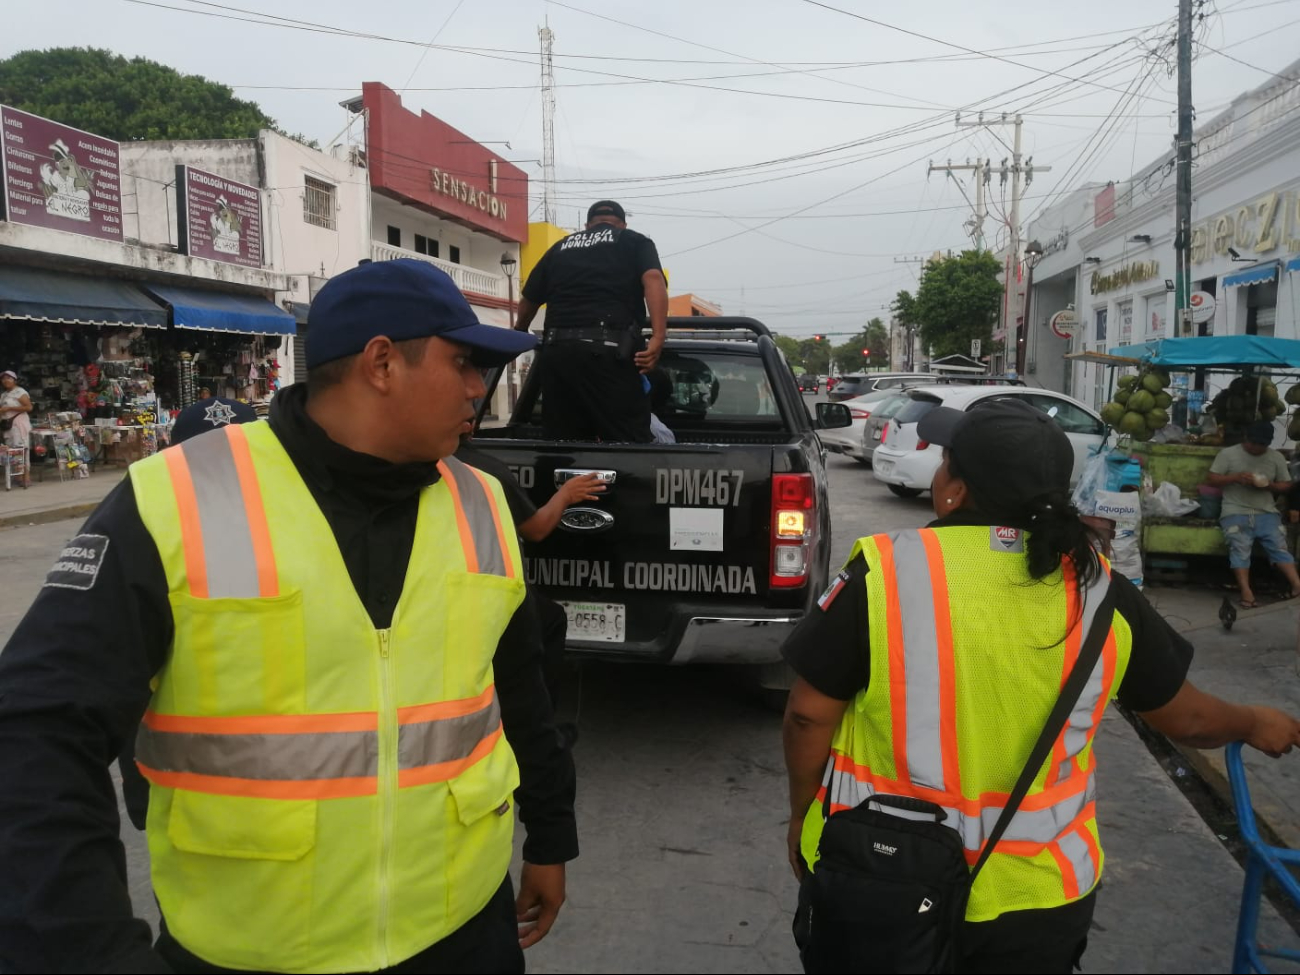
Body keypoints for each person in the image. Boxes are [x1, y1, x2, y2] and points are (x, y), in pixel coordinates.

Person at [0, 258, 578, 974]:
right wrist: (85, 951)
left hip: (462, 933)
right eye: (463, 362)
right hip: (251, 952)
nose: (476, 388)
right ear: (382, 362)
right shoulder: (178, 496)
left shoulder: (481, 499)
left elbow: (520, 690)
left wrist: (551, 832)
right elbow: (35, 731)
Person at [781, 399, 1300, 973]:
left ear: (953, 486)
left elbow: (809, 713)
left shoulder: (886, 572)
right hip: (1038, 897)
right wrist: (1254, 721)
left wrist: (805, 815)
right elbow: (1188, 719)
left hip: (879, 874)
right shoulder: (1103, 591)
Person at [116, 396, 262, 831]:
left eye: (240, 456)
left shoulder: (304, 532)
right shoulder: (149, 539)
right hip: (192, 811)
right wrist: (139, 790)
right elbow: (123, 678)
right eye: (207, 460)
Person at [514, 200, 668, 443]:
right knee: (628, 445)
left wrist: (519, 333)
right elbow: (653, 277)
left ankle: (566, 479)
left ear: (587, 226)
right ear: (622, 225)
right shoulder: (634, 241)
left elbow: (528, 302)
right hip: (610, 355)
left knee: (563, 444)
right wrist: (658, 336)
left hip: (558, 357)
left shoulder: (559, 248)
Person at [1207, 420, 1300, 607]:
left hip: (1266, 512)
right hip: (1235, 511)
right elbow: (1212, 479)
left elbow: (1287, 485)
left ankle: (1297, 585)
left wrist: (1269, 485)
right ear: (1246, 438)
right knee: (1239, 548)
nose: (1258, 448)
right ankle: (1246, 591)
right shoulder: (1228, 454)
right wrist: (1235, 477)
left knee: (1279, 547)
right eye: (1254, 443)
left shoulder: (1276, 458)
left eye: (1262, 445)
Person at [0, 369, 33, 488]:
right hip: (8, 427)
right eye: (3, 379)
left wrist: (9, 409)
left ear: (14, 380)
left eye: (8, 378)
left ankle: (26, 478)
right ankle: (17, 477)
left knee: (22, 450)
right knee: (11, 451)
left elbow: (29, 407)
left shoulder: (20, 392)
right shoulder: (4, 395)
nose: (5, 381)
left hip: (19, 426)